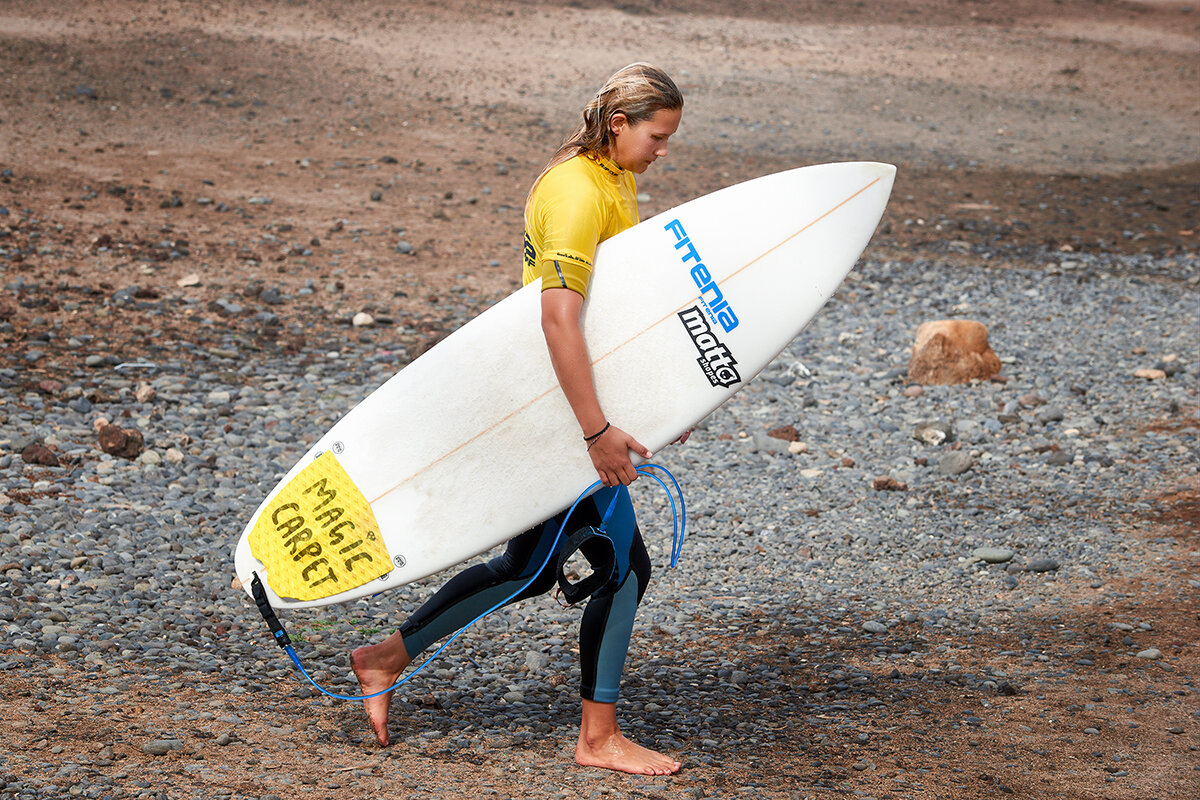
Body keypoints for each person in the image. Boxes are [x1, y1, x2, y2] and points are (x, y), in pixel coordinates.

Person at [351, 63, 684, 776]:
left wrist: (664, 400)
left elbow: (612, 315)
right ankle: (596, 740)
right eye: (657, 136)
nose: (663, 151)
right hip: (559, 415)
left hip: (565, 405)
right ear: (620, 125)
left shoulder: (608, 177)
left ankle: (383, 658)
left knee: (533, 569)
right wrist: (595, 432)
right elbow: (558, 319)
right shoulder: (575, 192)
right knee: (619, 569)